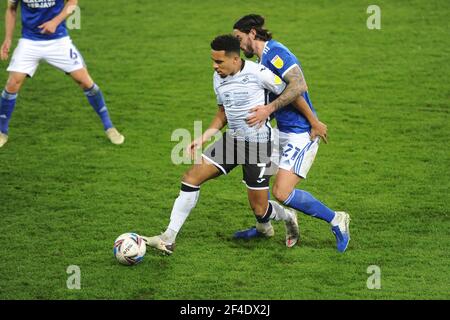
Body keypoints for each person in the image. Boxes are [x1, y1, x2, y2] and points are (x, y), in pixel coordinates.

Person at [143, 35, 300, 254]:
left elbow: (292, 91)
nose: (214, 66)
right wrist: (204, 136)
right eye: (213, 61)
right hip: (232, 141)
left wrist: (270, 110)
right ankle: (168, 237)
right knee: (190, 178)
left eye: (219, 62)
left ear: (235, 59)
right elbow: (222, 114)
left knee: (260, 210)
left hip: (260, 146)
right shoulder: (218, 78)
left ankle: (287, 215)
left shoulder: (258, 73)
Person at [232, 14, 351, 252]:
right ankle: (266, 226)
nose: (237, 44)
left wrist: (312, 121)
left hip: (300, 134)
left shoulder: (276, 53)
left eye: (238, 38)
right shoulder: (261, 61)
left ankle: (337, 219)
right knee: (257, 181)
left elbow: (297, 87)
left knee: (281, 192)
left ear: (252, 33)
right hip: (279, 132)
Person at [0, 0, 124, 148]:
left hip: (58, 41)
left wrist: (55, 22)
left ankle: (109, 127)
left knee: (85, 81)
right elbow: (11, 9)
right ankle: (2, 131)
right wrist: (7, 39)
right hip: (29, 42)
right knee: (12, 83)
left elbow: (72, 2)